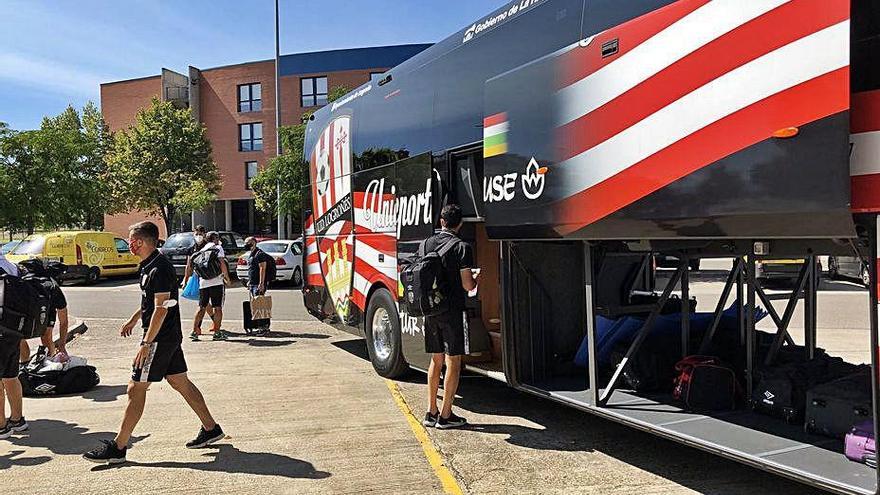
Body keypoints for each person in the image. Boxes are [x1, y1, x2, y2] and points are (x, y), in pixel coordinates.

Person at [83, 221, 223, 464]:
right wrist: (134, 319)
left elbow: (161, 309)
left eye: (131, 240)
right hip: (165, 337)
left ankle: (119, 447)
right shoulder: (148, 265)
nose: (128, 244)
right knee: (180, 382)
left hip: (158, 339)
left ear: (141, 242)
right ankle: (211, 429)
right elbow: (150, 302)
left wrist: (146, 343)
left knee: (135, 388)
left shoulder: (160, 268)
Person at [422, 204, 479, 430]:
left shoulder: (427, 243)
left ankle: (431, 411)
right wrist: (476, 280)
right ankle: (446, 416)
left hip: (431, 310)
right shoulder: (462, 247)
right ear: (460, 224)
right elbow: (467, 285)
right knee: (453, 361)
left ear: (441, 222)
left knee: (436, 360)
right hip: (453, 311)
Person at [17, 260, 69, 361]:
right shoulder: (52, 286)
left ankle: (24, 364)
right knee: (46, 336)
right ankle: (51, 363)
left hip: (24, 312)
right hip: (45, 311)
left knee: (19, 337)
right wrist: (62, 346)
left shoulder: (20, 283)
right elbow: (64, 321)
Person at [183, 232, 230, 341]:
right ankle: (217, 332)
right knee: (217, 307)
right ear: (215, 239)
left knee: (201, 307)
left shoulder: (202, 250)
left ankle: (195, 331)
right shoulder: (217, 248)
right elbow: (222, 262)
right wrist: (227, 277)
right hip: (216, 282)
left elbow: (191, 266)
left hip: (203, 282)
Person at [244, 237, 273, 335]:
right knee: (256, 305)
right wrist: (249, 281)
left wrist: (261, 283)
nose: (246, 245)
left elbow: (262, 269)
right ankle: (259, 326)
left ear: (254, 243)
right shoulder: (252, 254)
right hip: (253, 283)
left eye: (248, 243)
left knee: (260, 305)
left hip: (258, 284)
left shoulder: (260, 254)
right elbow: (251, 269)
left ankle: (264, 327)